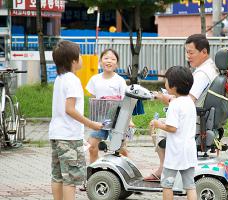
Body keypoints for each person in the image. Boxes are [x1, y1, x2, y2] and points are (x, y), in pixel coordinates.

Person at [144, 34, 219, 181]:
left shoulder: (202, 73)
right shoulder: (210, 68)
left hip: (193, 121)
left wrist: (163, 97)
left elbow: (187, 101)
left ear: (204, 52)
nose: (188, 56)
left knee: (158, 126)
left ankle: (164, 169)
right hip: (200, 118)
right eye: (186, 52)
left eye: (191, 52)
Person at [49, 40, 102, 200]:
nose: (82, 58)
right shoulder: (73, 80)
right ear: (73, 60)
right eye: (80, 55)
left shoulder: (60, 79)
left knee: (57, 176)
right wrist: (91, 124)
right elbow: (70, 109)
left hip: (56, 134)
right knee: (70, 179)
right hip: (69, 136)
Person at [150, 66, 197, 200]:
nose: (165, 84)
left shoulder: (175, 105)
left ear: (173, 86)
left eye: (166, 81)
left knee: (167, 184)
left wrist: (158, 124)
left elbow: (172, 128)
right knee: (190, 185)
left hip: (176, 152)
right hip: (188, 151)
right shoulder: (189, 102)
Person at [86, 48, 133, 164]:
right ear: (100, 62)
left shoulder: (120, 80)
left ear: (116, 64)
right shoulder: (94, 79)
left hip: (117, 120)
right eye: (106, 58)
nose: (109, 61)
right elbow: (93, 100)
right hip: (99, 120)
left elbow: (126, 103)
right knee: (91, 146)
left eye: (113, 59)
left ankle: (129, 168)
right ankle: (93, 173)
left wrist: (129, 120)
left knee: (119, 150)